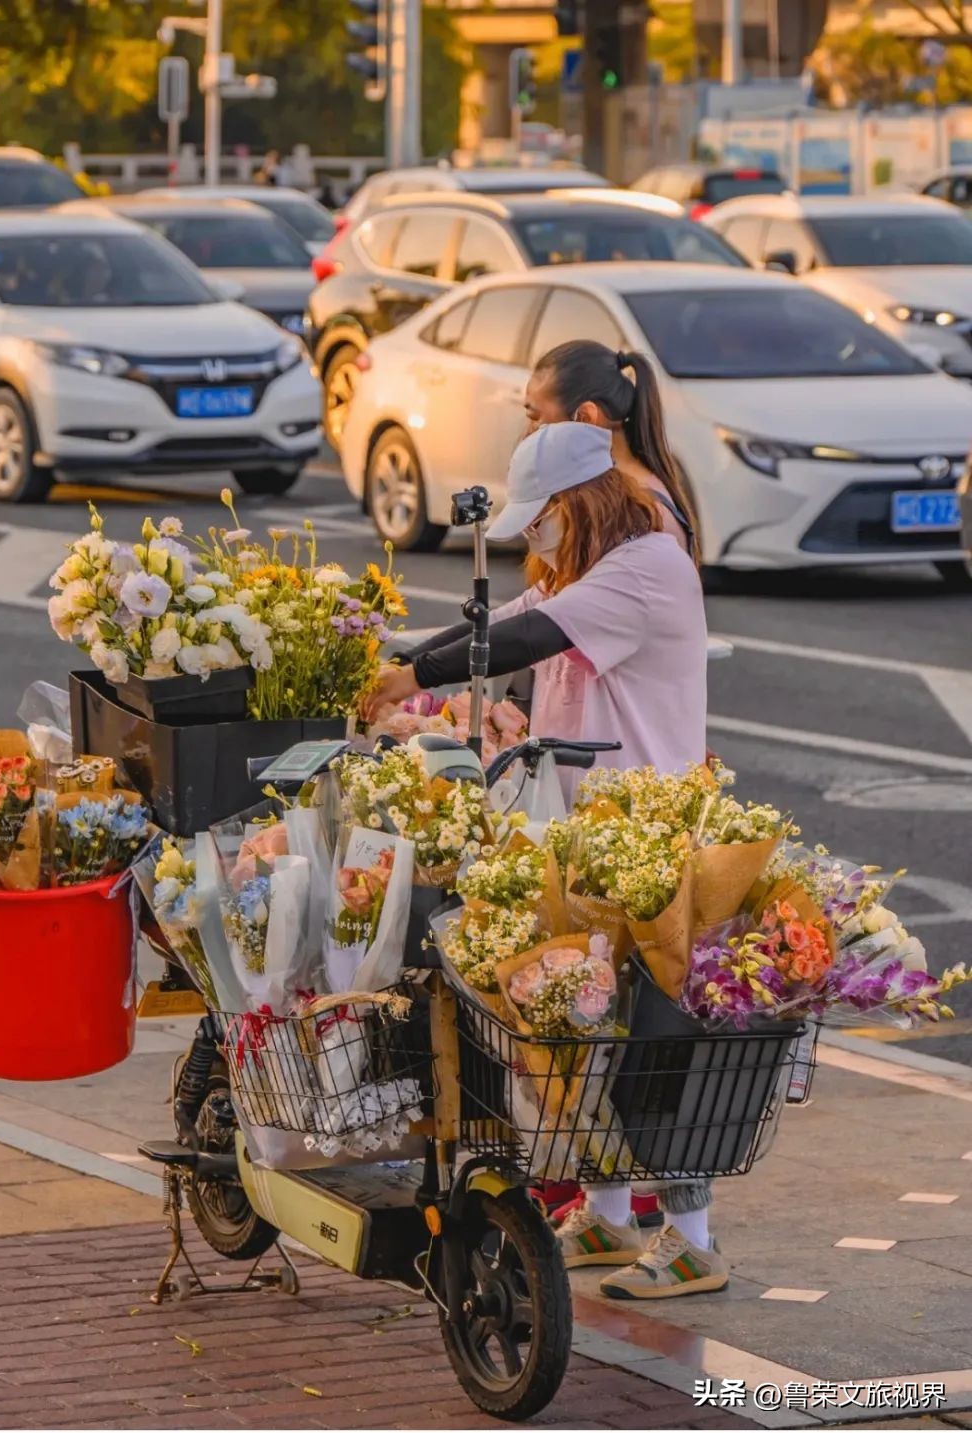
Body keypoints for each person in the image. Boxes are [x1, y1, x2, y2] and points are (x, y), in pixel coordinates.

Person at [361, 397, 725, 1300]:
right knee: (579, 1027)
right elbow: (498, 624)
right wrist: (398, 658)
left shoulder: (641, 569)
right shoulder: (585, 570)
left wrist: (410, 674)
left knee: (651, 1039)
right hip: (585, 829)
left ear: (585, 500)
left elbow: (527, 636)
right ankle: (604, 1216)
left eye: (549, 517)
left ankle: (693, 1240)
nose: (541, 537)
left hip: (645, 830)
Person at [524, 339, 697, 562]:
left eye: (535, 418)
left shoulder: (638, 512)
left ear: (585, 417)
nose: (530, 434)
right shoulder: (607, 493)